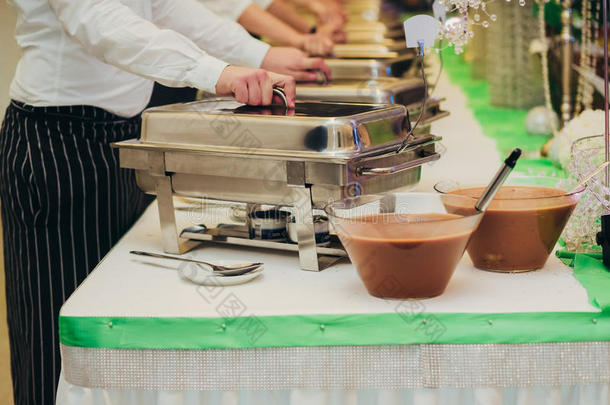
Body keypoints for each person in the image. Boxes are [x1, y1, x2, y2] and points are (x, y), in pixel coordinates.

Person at [0, 0, 316, 404]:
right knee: (60, 340)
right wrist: (216, 71)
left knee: (117, 329)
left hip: (123, 133)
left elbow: (162, 6)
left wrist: (258, 54)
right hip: (59, 144)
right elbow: (97, 18)